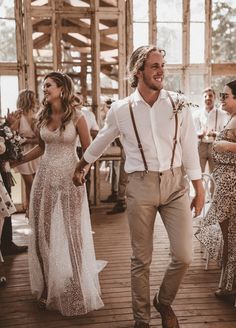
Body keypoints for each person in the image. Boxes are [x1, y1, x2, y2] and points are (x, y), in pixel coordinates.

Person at [73, 46, 204, 328]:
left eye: (162, 65)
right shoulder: (121, 109)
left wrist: (199, 187)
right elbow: (102, 140)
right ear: (138, 72)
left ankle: (163, 301)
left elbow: (190, 146)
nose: (160, 71)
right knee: (140, 259)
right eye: (154, 66)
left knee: (184, 256)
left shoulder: (178, 103)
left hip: (175, 185)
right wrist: (82, 163)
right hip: (140, 184)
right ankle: (141, 320)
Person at [13, 72, 105, 315]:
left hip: (69, 179)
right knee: (42, 232)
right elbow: (41, 148)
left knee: (73, 232)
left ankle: (77, 283)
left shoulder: (78, 116)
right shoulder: (42, 116)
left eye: (48, 85)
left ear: (62, 88)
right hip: (44, 178)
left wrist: (81, 171)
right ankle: (45, 286)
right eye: (44, 86)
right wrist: (16, 160)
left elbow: (90, 150)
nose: (44, 89)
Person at [195, 80, 236, 299]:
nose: (222, 98)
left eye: (226, 95)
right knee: (228, 236)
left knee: (231, 236)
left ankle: (229, 286)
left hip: (232, 186)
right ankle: (228, 283)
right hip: (225, 184)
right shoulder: (231, 118)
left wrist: (224, 145)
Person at [13, 89, 41, 216]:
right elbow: (12, 138)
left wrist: (27, 140)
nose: (36, 100)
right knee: (30, 184)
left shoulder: (37, 117)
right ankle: (30, 211)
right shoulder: (19, 117)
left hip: (36, 154)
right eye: (34, 98)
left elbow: (40, 140)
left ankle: (33, 210)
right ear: (28, 100)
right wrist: (24, 141)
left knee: (37, 184)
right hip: (22, 154)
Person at [192, 88, 228, 173]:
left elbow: (225, 133)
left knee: (214, 173)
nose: (208, 98)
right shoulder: (196, 114)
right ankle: (200, 187)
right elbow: (192, 132)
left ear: (214, 98)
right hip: (201, 146)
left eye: (210, 96)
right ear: (202, 99)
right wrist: (198, 134)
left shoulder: (222, 114)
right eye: (205, 96)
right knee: (198, 173)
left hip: (215, 146)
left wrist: (216, 134)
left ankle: (212, 187)